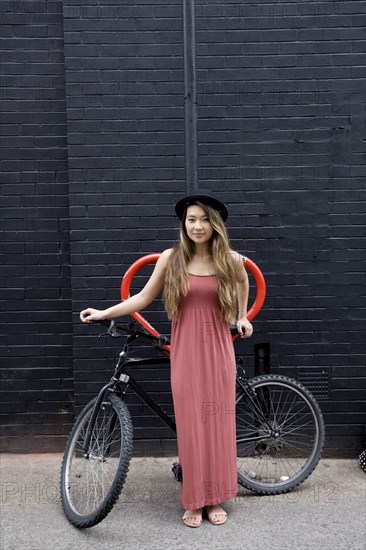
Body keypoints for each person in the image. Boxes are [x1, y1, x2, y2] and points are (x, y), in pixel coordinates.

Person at [80, 189, 253, 527]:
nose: (198, 226)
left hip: (219, 351)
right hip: (186, 353)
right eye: (192, 220)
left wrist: (242, 316)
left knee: (218, 425)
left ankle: (216, 497)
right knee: (191, 427)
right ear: (184, 224)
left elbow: (244, 279)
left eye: (204, 219)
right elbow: (142, 298)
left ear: (215, 224)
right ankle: (194, 500)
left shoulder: (228, 260)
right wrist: (104, 312)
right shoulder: (170, 259)